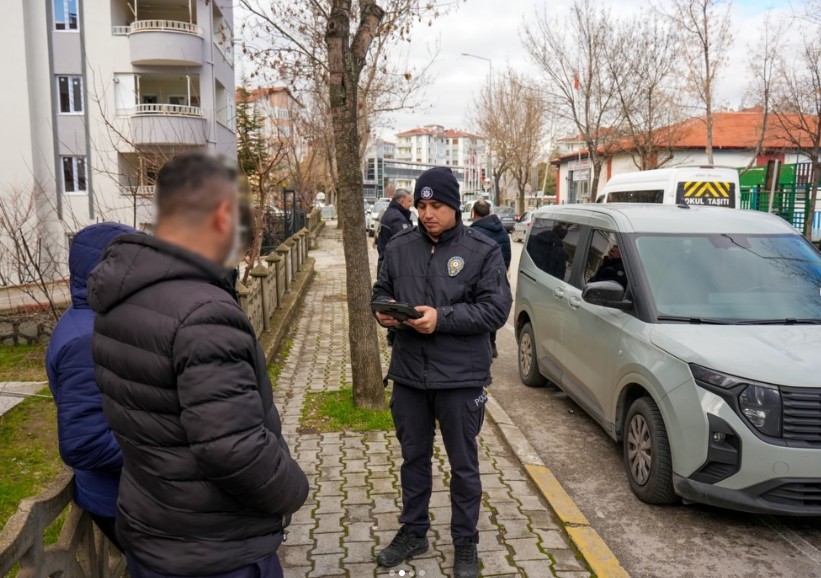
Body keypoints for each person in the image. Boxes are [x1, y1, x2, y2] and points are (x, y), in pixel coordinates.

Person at [88, 153, 309, 578]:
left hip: (154, 531)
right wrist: (293, 490)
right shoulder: (203, 312)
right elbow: (234, 450)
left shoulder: (120, 297)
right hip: (217, 548)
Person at [372, 166, 512, 578]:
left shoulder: (482, 250)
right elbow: (381, 290)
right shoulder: (399, 247)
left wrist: (442, 318)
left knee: (463, 465)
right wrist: (384, 312)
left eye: (436, 205)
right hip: (410, 376)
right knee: (413, 460)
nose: (427, 213)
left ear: (455, 206)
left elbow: (496, 309)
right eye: (421, 205)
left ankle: (465, 542)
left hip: (461, 379)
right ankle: (414, 531)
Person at [46, 222, 138, 550]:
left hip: (130, 493)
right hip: (121, 499)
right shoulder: (87, 338)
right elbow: (85, 444)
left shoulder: (96, 321)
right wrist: (164, 450)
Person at [470, 199, 511, 359]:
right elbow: (507, 253)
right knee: (492, 308)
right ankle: (492, 343)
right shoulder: (501, 231)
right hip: (499, 276)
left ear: (474, 213)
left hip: (479, 277)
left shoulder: (474, 233)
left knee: (479, 310)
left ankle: (483, 346)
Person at [376, 188, 414, 274]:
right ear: (401, 201)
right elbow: (407, 243)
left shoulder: (390, 212)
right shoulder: (397, 218)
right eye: (409, 201)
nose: (410, 204)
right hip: (392, 268)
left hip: (386, 264)